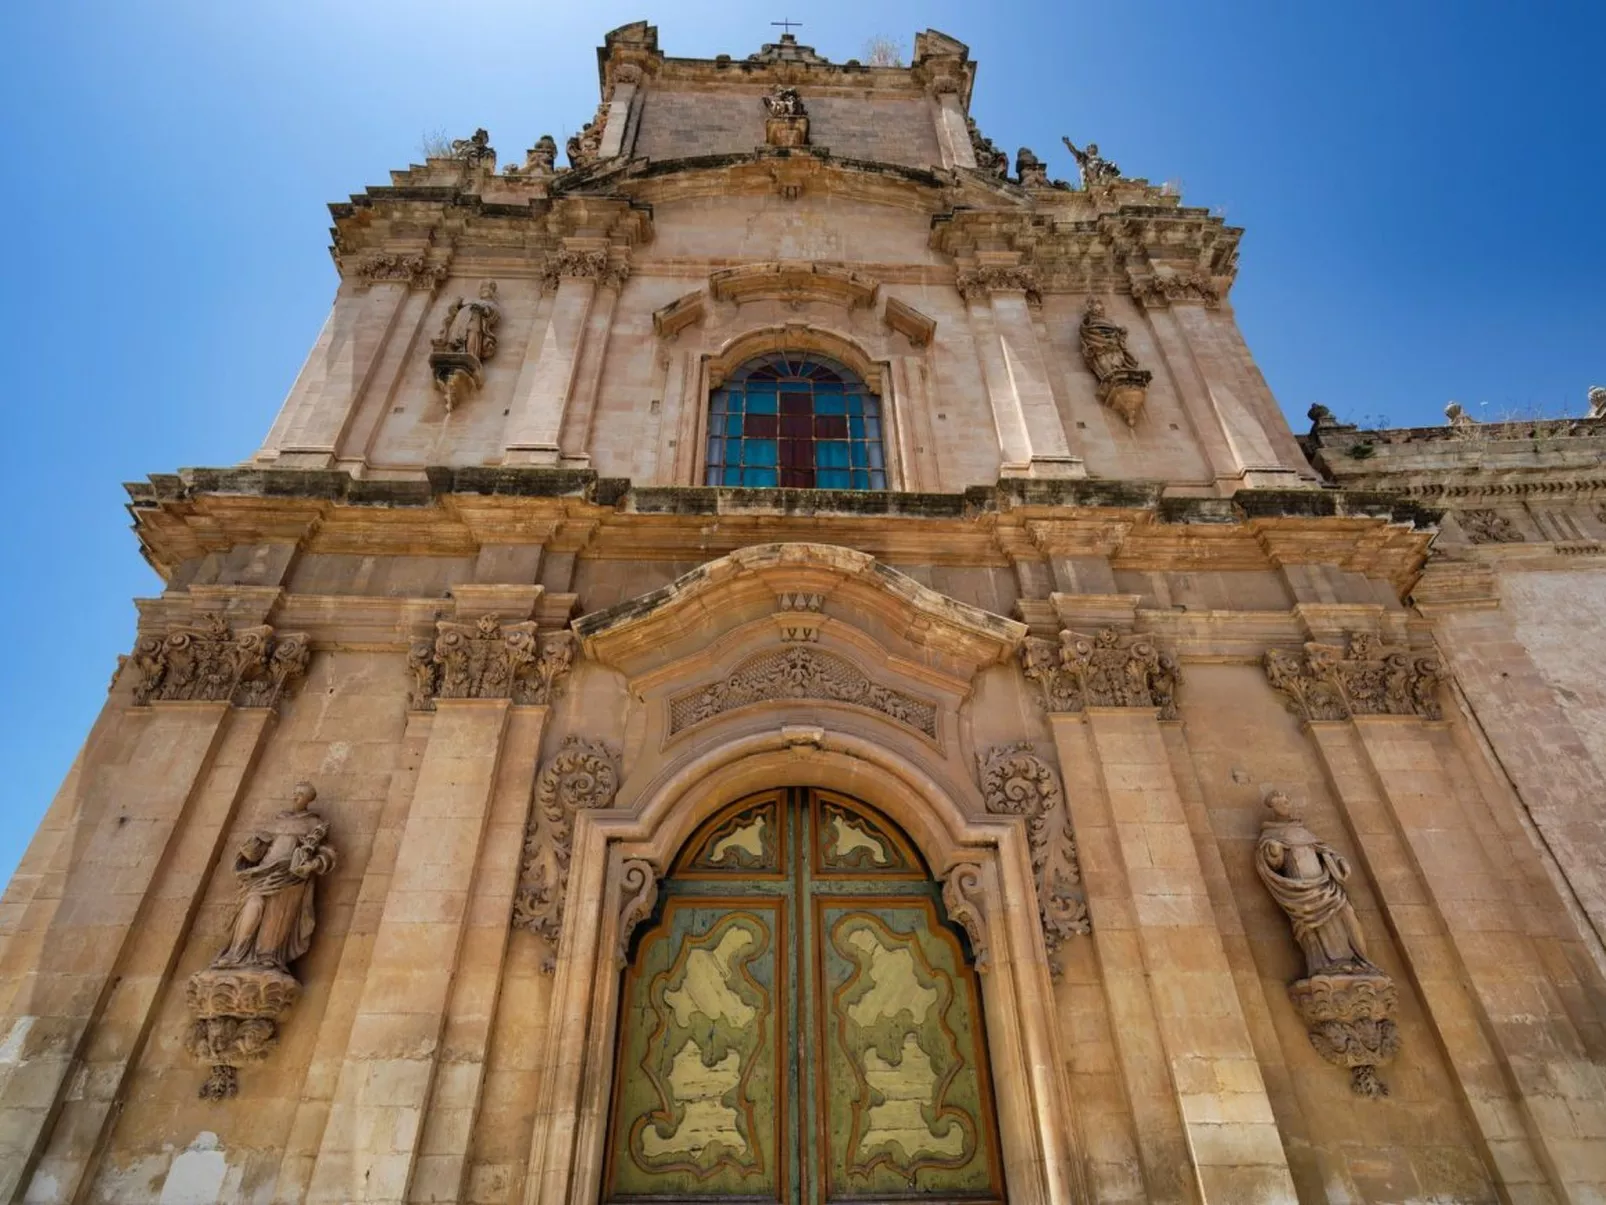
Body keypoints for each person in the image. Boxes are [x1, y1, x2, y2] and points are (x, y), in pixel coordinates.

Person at [213, 783, 336, 972]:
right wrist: (249, 851)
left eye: (300, 795)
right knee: (253, 905)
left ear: (308, 799)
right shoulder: (278, 820)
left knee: (277, 913)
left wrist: (313, 863)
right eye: (294, 793)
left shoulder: (314, 824)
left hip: (290, 875)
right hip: (264, 871)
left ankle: (267, 955)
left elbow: (326, 851)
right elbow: (257, 849)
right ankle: (235, 953)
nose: (295, 798)